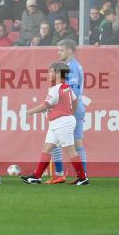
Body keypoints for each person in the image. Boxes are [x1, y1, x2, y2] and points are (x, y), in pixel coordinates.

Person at [19, 62, 88, 186]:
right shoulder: (65, 87)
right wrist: (70, 113)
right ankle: (36, 177)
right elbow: (75, 100)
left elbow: (45, 105)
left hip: (62, 123)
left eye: (50, 71)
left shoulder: (56, 89)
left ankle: (83, 178)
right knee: (47, 148)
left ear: (57, 74)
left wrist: (29, 112)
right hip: (58, 123)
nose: (48, 73)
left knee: (71, 151)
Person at [54, 40, 88, 183]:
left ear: (69, 50)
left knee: (54, 141)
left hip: (70, 110)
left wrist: (63, 110)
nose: (58, 52)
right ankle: (82, 176)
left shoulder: (72, 68)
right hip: (75, 109)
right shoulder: (70, 66)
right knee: (76, 143)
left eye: (61, 50)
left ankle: (60, 173)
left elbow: (72, 92)